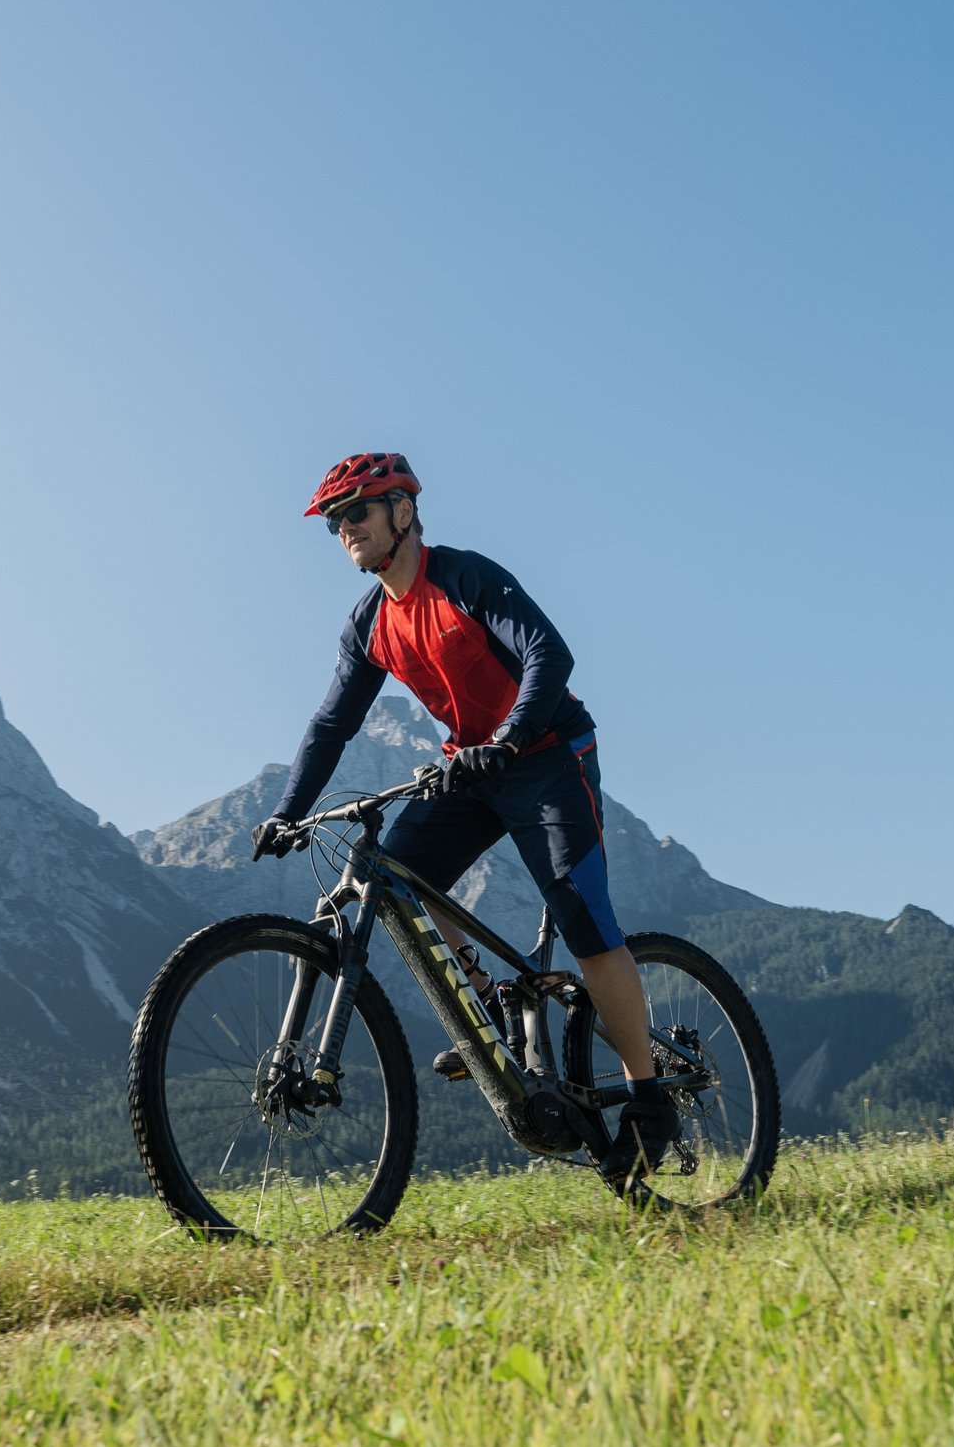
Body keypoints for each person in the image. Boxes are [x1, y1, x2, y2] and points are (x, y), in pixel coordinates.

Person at [251, 451, 678, 1180]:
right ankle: (492, 1014)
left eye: (357, 509)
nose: (344, 527)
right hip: (470, 767)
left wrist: (511, 737)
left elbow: (549, 653)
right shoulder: (370, 623)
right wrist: (288, 813)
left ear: (403, 511)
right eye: (333, 520)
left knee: (580, 910)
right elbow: (331, 726)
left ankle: (648, 1097)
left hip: (543, 751)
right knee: (397, 875)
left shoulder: (464, 576)